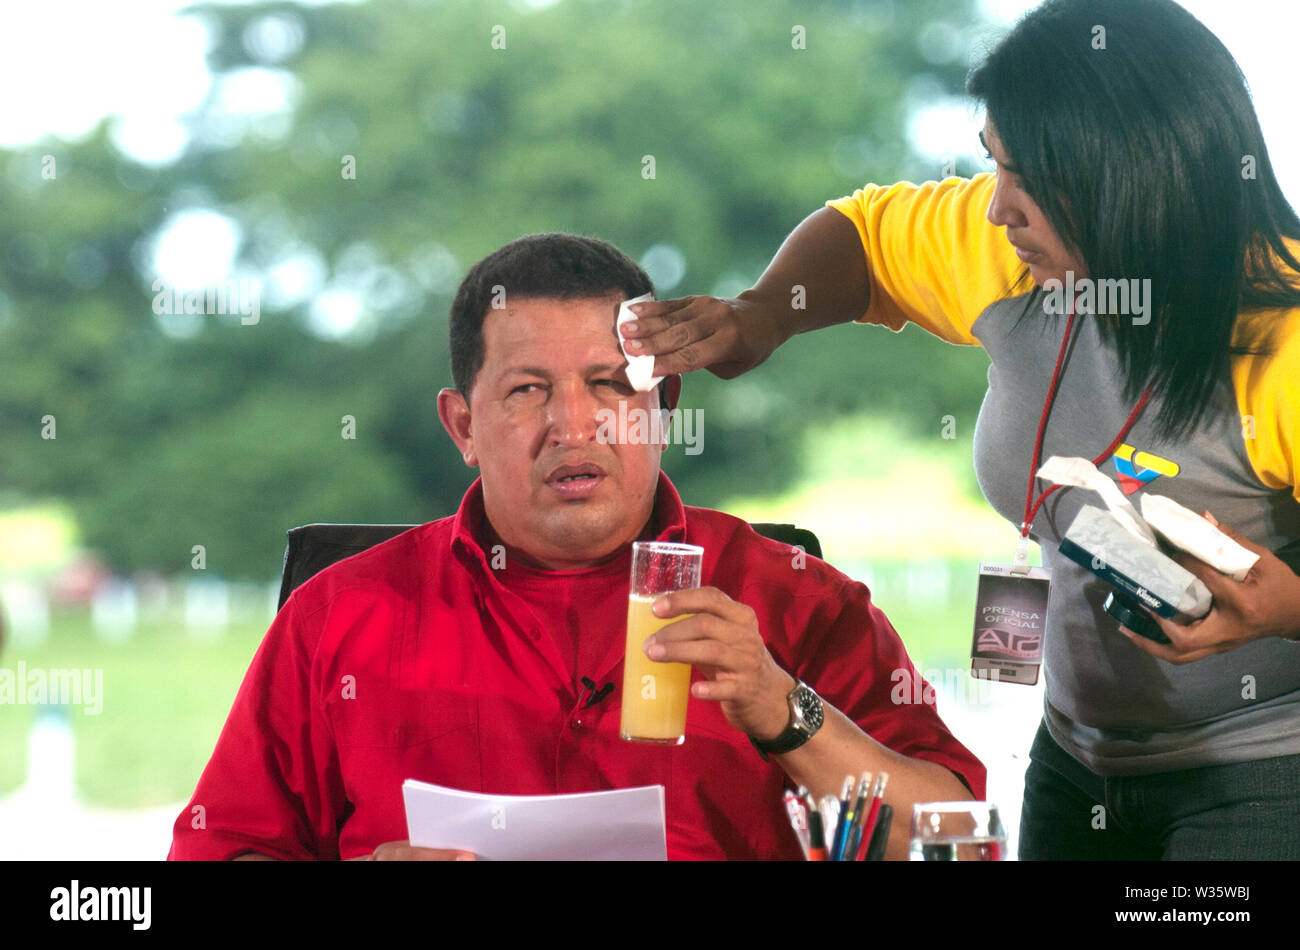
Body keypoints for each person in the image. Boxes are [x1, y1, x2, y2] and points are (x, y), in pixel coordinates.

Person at [617, 0, 1300, 860]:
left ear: (1136, 171)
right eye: (993, 166)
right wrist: (761, 317)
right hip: (1077, 766)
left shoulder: (1286, 341)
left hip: (1266, 776)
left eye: (1029, 178)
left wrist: (1286, 610)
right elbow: (864, 235)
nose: (994, 210)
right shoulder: (1017, 251)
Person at [167, 232, 984, 862]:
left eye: (609, 385)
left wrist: (785, 713)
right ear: (462, 427)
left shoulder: (799, 600)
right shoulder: (341, 614)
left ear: (661, 405)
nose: (575, 424)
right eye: (528, 391)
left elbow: (957, 843)